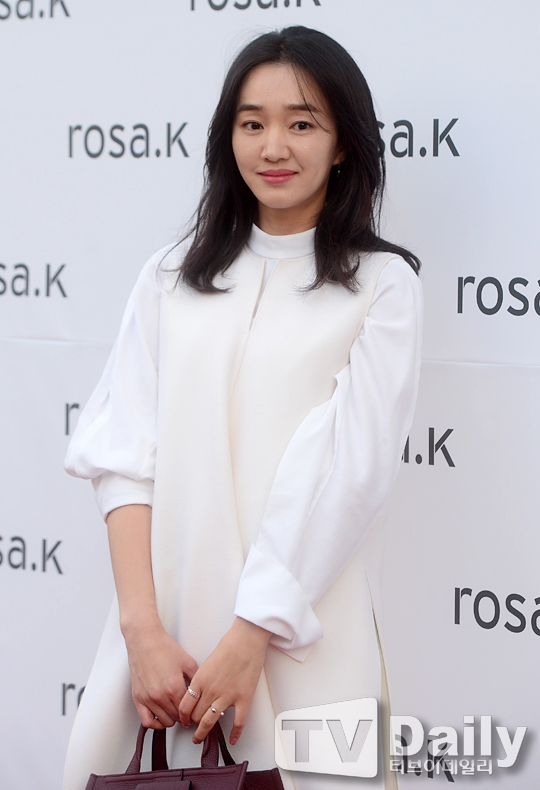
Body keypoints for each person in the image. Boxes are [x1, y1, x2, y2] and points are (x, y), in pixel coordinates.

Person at [63, 25, 422, 790]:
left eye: (302, 123)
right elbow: (123, 456)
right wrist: (141, 632)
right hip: (163, 654)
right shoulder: (169, 276)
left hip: (304, 643)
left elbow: (347, 474)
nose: (273, 146)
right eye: (252, 123)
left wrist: (251, 633)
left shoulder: (382, 287)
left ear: (344, 143)